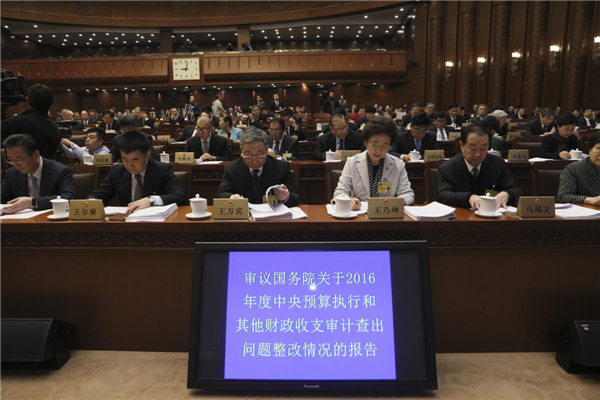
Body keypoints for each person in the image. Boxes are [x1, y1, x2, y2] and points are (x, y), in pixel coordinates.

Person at [88, 130, 185, 212]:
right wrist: (92, 201)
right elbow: (98, 195)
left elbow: (179, 197)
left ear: (147, 156)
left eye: (135, 160)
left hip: (155, 222)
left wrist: (151, 200)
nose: (129, 165)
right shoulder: (117, 170)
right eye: (125, 159)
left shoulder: (162, 169)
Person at [334, 116, 414, 211]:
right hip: (361, 213)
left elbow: (408, 194)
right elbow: (340, 192)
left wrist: (399, 201)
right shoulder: (352, 162)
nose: (379, 150)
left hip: (386, 212)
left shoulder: (398, 165)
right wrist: (348, 201)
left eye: (385, 145)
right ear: (365, 142)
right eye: (375, 144)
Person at [437, 124, 523, 210]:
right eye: (473, 149)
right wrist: (468, 197)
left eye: (483, 149)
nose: (478, 154)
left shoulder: (498, 164)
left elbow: (516, 190)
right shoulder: (447, 168)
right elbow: (443, 195)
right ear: (462, 146)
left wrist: (507, 194)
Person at [217, 127, 300, 206]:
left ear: (267, 150)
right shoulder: (231, 168)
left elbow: (295, 198)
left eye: (259, 155)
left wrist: (285, 197)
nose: (254, 161)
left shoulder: (281, 167)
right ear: (241, 150)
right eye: (249, 155)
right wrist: (232, 197)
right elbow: (221, 194)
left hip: (272, 214)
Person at [1, 134, 75, 212]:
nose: (15, 165)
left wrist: (33, 202)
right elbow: (2, 197)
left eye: (19, 160)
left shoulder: (60, 171)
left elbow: (68, 198)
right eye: (11, 160)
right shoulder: (12, 173)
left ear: (36, 154)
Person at [1, 83, 62, 160]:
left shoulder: (17, 122)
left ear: (27, 100)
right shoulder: (54, 128)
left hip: (21, 167)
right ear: (51, 104)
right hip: (48, 166)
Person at [556, 132, 600, 205]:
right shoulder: (574, 169)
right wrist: (588, 200)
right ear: (590, 150)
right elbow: (562, 197)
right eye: (599, 149)